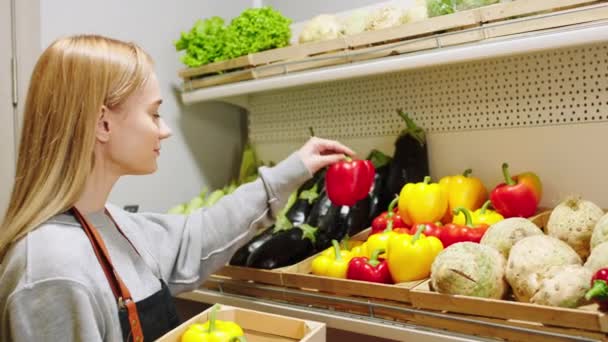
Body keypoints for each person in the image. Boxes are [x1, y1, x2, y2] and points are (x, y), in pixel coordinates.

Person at [0, 35, 354, 342]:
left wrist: (294, 169)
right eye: (153, 114)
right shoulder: (49, 270)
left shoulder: (110, 224)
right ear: (103, 123)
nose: (164, 130)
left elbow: (196, 238)